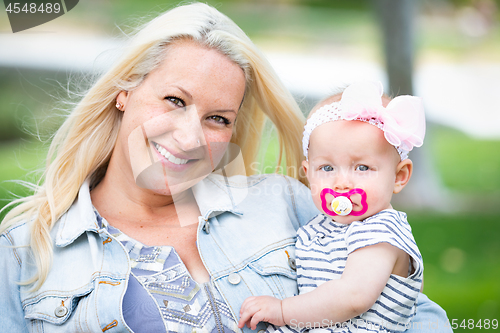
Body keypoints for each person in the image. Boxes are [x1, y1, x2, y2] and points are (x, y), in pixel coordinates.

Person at [0, 3, 451, 333]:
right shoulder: (24, 250)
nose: (190, 136)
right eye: (174, 100)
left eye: (218, 119)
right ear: (124, 92)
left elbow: (416, 317)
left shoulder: (289, 203)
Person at [238, 81, 452, 333]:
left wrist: (283, 310)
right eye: (327, 168)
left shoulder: (382, 233)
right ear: (308, 174)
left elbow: (353, 297)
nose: (341, 183)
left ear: (399, 177)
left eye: (362, 168)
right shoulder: (319, 226)